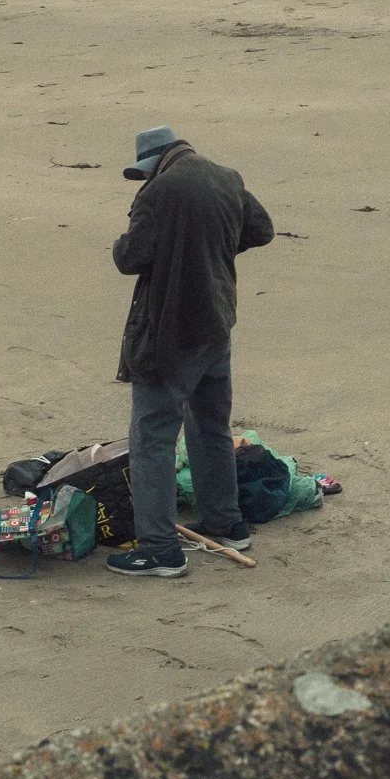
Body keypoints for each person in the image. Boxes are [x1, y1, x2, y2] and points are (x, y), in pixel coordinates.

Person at [107, 126, 274, 578]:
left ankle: (160, 549)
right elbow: (262, 229)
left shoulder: (159, 191)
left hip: (170, 332)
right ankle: (226, 522)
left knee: (152, 437)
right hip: (216, 324)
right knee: (210, 426)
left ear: (154, 162)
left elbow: (130, 257)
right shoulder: (226, 177)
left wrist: (130, 245)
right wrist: (212, 250)